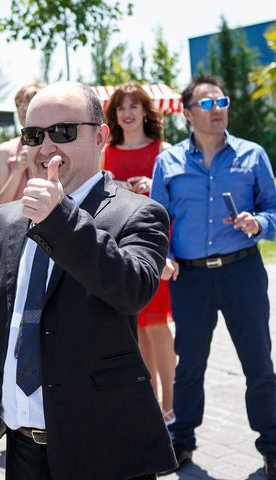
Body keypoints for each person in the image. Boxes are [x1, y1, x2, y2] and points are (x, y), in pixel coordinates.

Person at [0, 81, 177, 479]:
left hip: (102, 445)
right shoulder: (8, 218)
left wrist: (59, 219)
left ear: (99, 137)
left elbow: (132, 289)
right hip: (22, 447)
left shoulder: (138, 213)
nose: (46, 147)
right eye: (33, 135)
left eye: (63, 132)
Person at [151, 75, 276, 479]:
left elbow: (275, 210)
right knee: (189, 365)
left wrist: (257, 222)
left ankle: (271, 447)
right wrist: (165, 256)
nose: (218, 109)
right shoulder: (168, 162)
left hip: (243, 272)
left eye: (222, 101)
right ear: (188, 112)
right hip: (190, 280)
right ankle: (182, 442)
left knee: (257, 362)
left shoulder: (252, 155)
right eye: (207, 104)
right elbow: (157, 223)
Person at [101, 82, 176, 424]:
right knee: (139, 327)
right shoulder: (106, 153)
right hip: (122, 246)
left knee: (158, 326)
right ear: (114, 115)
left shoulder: (165, 150)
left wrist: (153, 185)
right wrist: (115, 187)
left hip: (155, 245)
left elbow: (176, 202)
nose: (128, 113)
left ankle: (170, 406)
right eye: (121, 107)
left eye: (134, 106)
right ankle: (150, 404)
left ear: (146, 111)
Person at [0, 82, 45, 206]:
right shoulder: (5, 150)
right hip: (14, 223)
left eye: (30, 101)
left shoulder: (56, 146)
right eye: (19, 103)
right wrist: (18, 170)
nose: (23, 108)